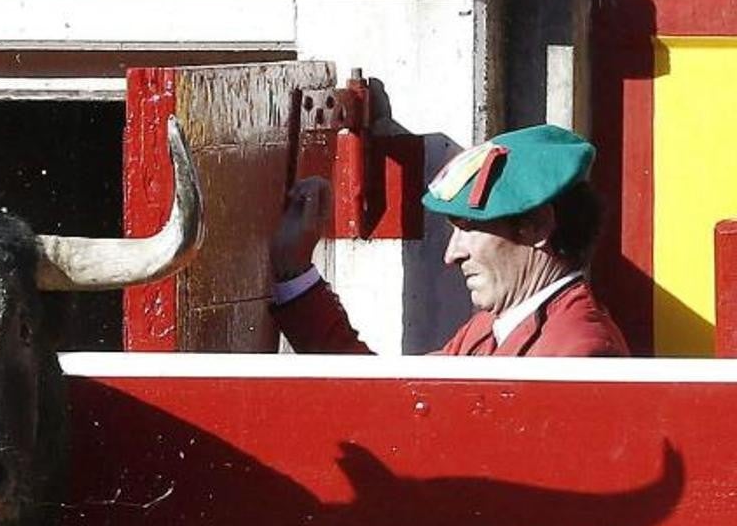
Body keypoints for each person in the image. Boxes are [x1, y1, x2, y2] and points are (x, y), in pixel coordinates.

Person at [269, 124, 629, 357]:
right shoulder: (494, 324)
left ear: (535, 227)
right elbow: (390, 398)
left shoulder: (578, 350)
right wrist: (296, 273)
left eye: (469, 227)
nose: (451, 254)